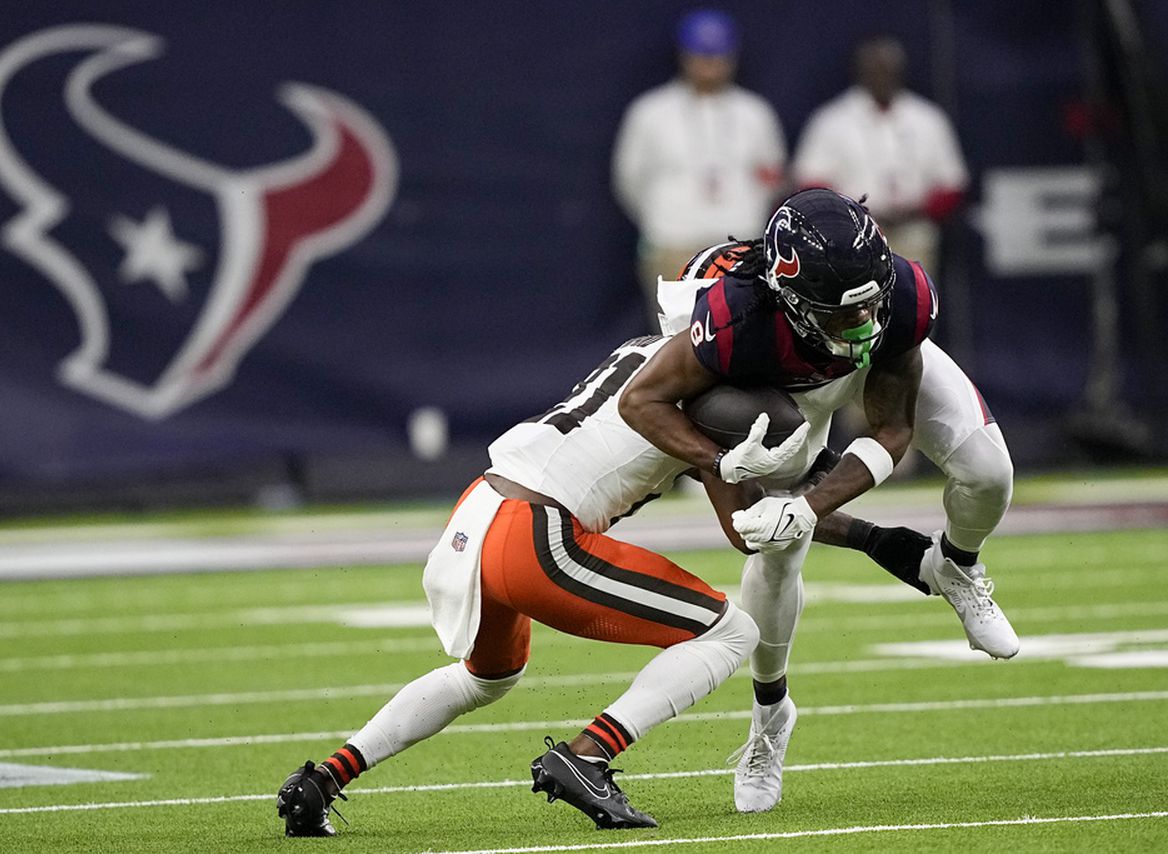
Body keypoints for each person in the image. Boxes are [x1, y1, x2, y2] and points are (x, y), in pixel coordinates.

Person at [275, 316, 938, 837]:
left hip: (477, 512)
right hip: (537, 532)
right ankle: (589, 755)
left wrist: (872, 537)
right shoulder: (707, 386)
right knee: (731, 632)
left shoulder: (653, 351)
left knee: (483, 678)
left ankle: (323, 779)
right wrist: (859, 530)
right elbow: (748, 528)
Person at [619, 188, 1018, 815]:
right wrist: (725, 464)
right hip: (778, 392)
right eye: (841, 313)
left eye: (872, 303)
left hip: (844, 370)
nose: (863, 322)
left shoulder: (895, 303)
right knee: (771, 548)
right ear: (788, 296)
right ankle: (770, 717)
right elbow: (640, 402)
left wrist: (806, 505)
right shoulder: (729, 324)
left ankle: (958, 564)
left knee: (989, 472)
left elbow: (890, 431)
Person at [612, 8, 786, 329]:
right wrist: (663, 221)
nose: (710, 66)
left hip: (739, 249)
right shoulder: (650, 112)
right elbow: (628, 179)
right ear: (684, 57)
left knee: (744, 340)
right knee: (676, 345)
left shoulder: (754, 114)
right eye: (702, 56)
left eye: (717, 57)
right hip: (673, 245)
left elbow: (772, 176)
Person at [791, 35, 968, 272]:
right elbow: (810, 185)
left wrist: (916, 211)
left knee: (913, 305)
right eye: (875, 69)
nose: (882, 76)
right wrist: (856, 215)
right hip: (851, 243)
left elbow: (952, 185)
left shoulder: (927, 118)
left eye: (888, 69)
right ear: (860, 71)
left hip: (914, 236)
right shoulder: (832, 120)